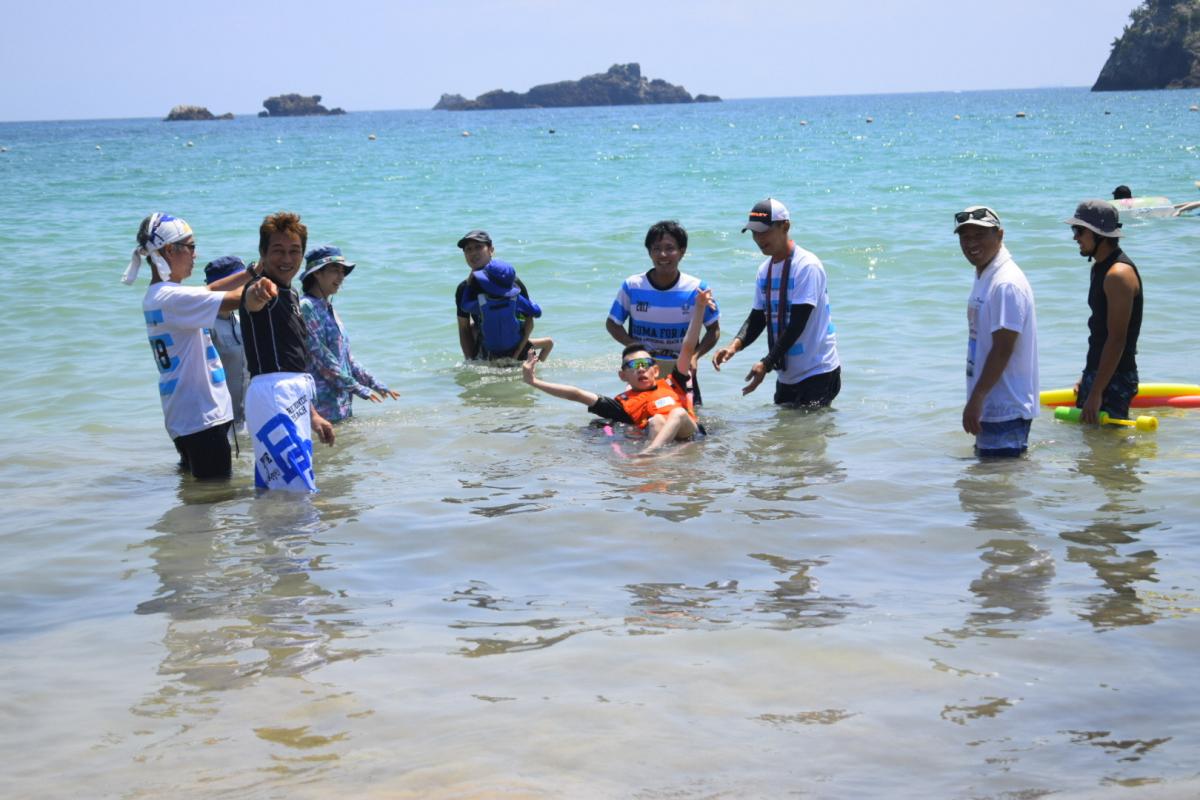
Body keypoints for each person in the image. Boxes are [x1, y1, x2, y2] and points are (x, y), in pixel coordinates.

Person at [123, 213, 250, 479]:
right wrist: (268, 280)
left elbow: (211, 288)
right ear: (170, 250)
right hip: (202, 418)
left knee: (198, 494)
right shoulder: (173, 297)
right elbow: (237, 299)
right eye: (191, 247)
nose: (195, 254)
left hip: (185, 417)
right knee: (215, 498)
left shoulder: (159, 295)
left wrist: (252, 272)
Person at [523, 289, 715, 456]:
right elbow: (577, 394)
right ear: (623, 376)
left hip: (691, 436)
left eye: (645, 364)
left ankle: (649, 454)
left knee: (679, 413)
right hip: (668, 446)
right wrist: (534, 381)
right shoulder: (623, 405)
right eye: (633, 366)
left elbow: (688, 346)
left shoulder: (674, 382)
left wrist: (698, 308)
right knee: (656, 420)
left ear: (656, 370)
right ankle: (656, 462)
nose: (640, 368)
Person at [711, 198, 841, 407]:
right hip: (787, 376)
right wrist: (734, 346)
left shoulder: (807, 266)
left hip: (818, 372)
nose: (758, 238)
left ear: (785, 226)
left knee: (807, 435)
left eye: (764, 231)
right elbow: (758, 317)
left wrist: (766, 363)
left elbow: (798, 323)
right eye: (754, 232)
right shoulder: (765, 270)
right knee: (787, 434)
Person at [240, 211, 335, 492]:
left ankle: (273, 535)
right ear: (262, 253)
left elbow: (294, 359)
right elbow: (251, 300)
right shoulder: (261, 289)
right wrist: (257, 291)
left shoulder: (292, 295)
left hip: (293, 394)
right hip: (272, 394)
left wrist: (313, 414)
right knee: (297, 490)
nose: (287, 259)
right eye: (278, 251)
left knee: (276, 490)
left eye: (294, 252)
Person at [955, 206, 1039, 457]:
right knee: (991, 488)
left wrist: (977, 399)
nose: (971, 243)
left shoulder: (1005, 284)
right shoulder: (985, 273)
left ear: (1000, 235)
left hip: (1005, 409)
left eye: (979, 235)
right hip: (992, 406)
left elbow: (1003, 348)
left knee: (997, 491)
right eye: (965, 237)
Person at [606, 220, 720, 403]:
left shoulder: (697, 288)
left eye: (670, 248)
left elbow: (714, 330)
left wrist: (695, 356)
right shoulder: (632, 286)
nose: (663, 254)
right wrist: (635, 347)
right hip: (643, 365)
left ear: (682, 251)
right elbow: (612, 324)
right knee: (638, 418)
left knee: (689, 420)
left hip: (681, 366)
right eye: (656, 249)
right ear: (649, 252)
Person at [299, 245, 400, 423]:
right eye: (335, 270)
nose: (341, 277)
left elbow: (347, 360)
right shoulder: (306, 306)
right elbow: (322, 358)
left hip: (342, 405)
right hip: (321, 409)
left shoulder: (329, 308)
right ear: (316, 273)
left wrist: (376, 384)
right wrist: (359, 389)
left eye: (343, 272)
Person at [1065, 199, 1143, 423]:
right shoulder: (1100, 267)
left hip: (1115, 378)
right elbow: (1099, 333)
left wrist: (1097, 390)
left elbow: (1117, 340)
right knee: (1093, 449)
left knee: (1109, 447)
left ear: (1099, 233)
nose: (1075, 237)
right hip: (1101, 374)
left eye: (1079, 230)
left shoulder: (1118, 275)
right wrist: (1087, 374)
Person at [454, 230, 551, 360]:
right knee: (473, 328)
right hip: (488, 347)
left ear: (491, 250)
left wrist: (516, 353)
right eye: (468, 249)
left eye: (478, 247)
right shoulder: (465, 288)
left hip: (518, 346)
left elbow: (529, 322)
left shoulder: (512, 284)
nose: (473, 253)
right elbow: (463, 328)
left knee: (529, 375)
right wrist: (470, 360)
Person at [204, 256, 250, 433]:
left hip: (244, 419)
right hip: (219, 419)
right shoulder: (206, 326)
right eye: (241, 282)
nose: (247, 287)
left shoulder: (240, 321)